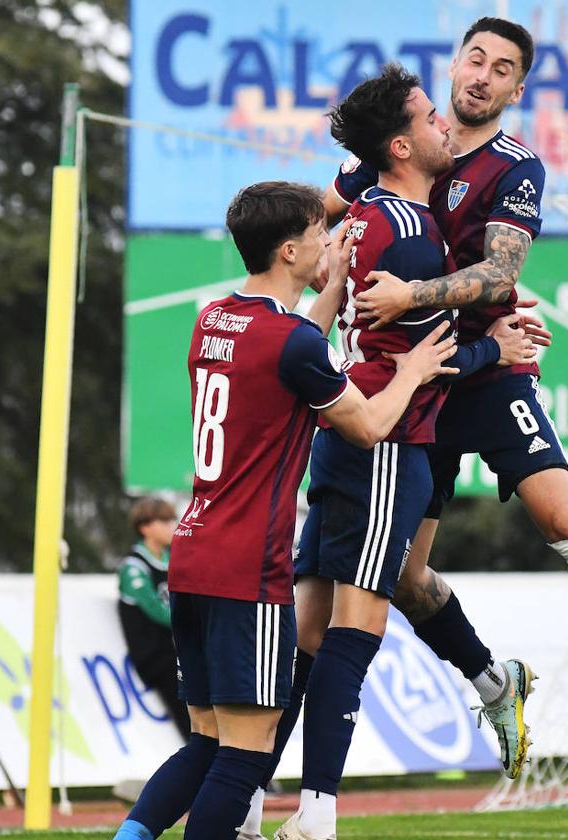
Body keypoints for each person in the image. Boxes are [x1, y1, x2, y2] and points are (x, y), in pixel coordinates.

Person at [334, 16, 568, 768]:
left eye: (501, 68)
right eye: (474, 58)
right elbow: (330, 224)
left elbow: (500, 276)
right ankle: (491, 681)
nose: (482, 75)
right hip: (417, 377)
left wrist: (411, 294)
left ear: (517, 88)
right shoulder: (403, 146)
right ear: (454, 66)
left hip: (489, 368)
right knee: (405, 577)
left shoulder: (515, 167)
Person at [112, 180, 457, 840]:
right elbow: (367, 425)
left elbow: (294, 345)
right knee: (247, 756)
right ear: (291, 248)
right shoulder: (293, 345)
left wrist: (332, 284)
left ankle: (129, 837)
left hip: (193, 555)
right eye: (321, 234)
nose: (332, 239)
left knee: (208, 744)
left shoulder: (215, 318)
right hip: (248, 567)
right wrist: (412, 370)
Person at [261, 65, 538, 840]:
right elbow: (433, 359)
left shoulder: (364, 217)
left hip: (342, 438)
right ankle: (318, 812)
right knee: (358, 629)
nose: (444, 121)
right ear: (400, 144)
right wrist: (499, 351)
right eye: (427, 116)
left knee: (308, 639)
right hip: (389, 444)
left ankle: (248, 801)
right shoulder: (414, 235)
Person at [117, 497, 188, 739]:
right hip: (157, 657)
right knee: (190, 718)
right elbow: (157, 610)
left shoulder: (176, 558)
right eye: (164, 521)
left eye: (172, 519)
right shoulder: (134, 567)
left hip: (180, 651)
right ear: (145, 527)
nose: (172, 526)